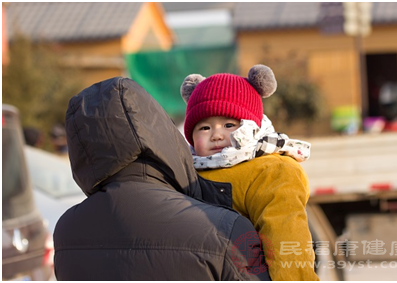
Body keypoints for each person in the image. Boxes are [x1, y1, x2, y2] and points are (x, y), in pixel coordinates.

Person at [53, 77, 270, 281]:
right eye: (205, 127)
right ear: (161, 131)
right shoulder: (226, 227)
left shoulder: (66, 230)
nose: (217, 135)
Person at [180, 64, 319, 281]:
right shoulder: (183, 170)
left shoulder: (272, 171)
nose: (216, 135)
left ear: (253, 127)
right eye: (204, 128)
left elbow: (287, 236)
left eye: (228, 124)